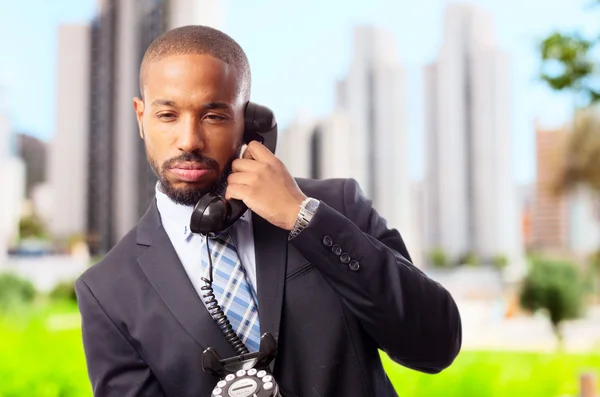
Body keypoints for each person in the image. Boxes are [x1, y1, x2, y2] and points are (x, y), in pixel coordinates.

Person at [75, 25, 462, 397]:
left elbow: (435, 345)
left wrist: (304, 218)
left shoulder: (337, 206)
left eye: (214, 115)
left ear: (250, 123)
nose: (189, 139)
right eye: (167, 115)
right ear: (141, 117)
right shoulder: (107, 290)